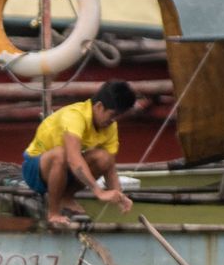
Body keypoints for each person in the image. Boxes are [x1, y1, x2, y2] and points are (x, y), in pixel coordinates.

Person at [22, 80, 139, 231]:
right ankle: (53, 212)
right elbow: (73, 158)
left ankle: (66, 197)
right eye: (113, 115)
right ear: (99, 107)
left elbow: (109, 164)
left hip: (65, 171)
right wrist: (98, 191)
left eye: (118, 116)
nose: (114, 120)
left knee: (103, 158)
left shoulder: (110, 126)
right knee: (61, 154)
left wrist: (119, 196)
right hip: (37, 169)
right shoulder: (74, 116)